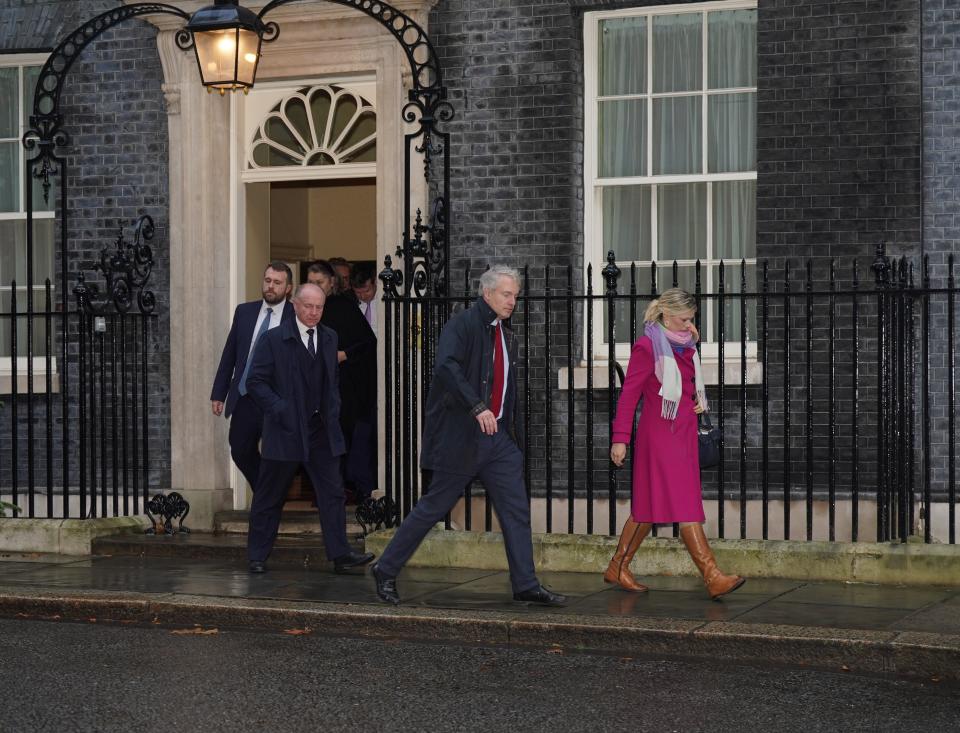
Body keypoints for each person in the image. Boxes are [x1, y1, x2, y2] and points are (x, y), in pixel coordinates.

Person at [372, 265, 566, 607]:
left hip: (499, 440)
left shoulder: (507, 336)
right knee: (433, 507)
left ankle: (525, 583)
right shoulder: (461, 324)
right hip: (462, 436)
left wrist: (510, 437)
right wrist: (477, 406)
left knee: (515, 510)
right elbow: (446, 367)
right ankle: (385, 569)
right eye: (507, 295)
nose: (512, 302)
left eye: (515, 296)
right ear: (487, 293)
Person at [605, 288, 745, 600]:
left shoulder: (685, 346)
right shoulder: (647, 347)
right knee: (685, 503)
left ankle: (618, 565)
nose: (688, 325)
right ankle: (712, 576)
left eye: (691, 320)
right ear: (666, 315)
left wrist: (695, 396)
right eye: (684, 319)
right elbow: (629, 396)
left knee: (647, 508)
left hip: (683, 433)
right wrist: (620, 439)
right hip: (660, 437)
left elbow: (685, 384)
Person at [244, 282, 375, 574]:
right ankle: (257, 555)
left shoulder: (329, 337)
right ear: (295, 305)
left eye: (319, 307)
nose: (314, 312)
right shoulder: (273, 339)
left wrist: (333, 410)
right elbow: (255, 382)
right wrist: (280, 409)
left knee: (333, 492)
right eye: (308, 306)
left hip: (321, 430)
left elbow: (331, 382)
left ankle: (340, 554)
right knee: (270, 494)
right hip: (285, 429)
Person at [210, 261, 295, 490]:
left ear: (288, 288)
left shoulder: (295, 316)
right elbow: (230, 354)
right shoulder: (245, 311)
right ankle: (267, 494)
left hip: (275, 398)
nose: (271, 286)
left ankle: (267, 501)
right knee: (239, 449)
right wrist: (219, 393)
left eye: (277, 283)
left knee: (275, 455)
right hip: (245, 395)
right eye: (268, 281)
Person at [308, 260, 378, 502]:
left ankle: (348, 489)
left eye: (320, 282)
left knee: (343, 440)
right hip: (314, 388)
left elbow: (367, 343)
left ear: (331, 283)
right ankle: (324, 491)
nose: (315, 286)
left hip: (346, 388)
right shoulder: (304, 310)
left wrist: (343, 354)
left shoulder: (343, 307)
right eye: (311, 282)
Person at [351, 262, 378, 330]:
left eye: (367, 291)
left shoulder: (386, 299)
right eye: (358, 292)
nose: (363, 296)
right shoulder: (349, 302)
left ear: (375, 282)